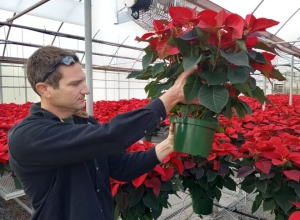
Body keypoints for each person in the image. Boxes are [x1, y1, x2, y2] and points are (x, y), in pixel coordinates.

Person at [8, 46, 199, 220]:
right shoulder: (28, 135)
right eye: (75, 84)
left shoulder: (84, 122)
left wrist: (168, 145)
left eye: (83, 81)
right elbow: (112, 136)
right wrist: (171, 96)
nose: (86, 90)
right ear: (44, 89)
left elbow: (121, 167)